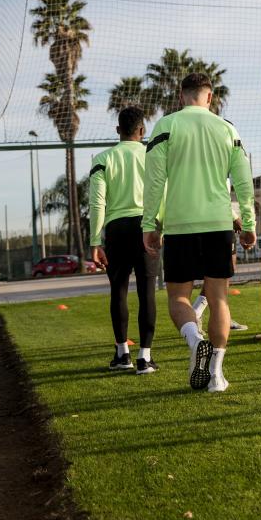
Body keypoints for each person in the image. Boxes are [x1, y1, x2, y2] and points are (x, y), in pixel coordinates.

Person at [142, 73, 256, 393]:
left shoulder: (166, 126)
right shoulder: (227, 128)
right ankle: (217, 375)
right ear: (210, 97)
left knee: (178, 297)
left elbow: (153, 182)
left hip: (180, 226)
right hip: (219, 224)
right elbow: (243, 183)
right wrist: (248, 223)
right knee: (218, 298)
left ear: (182, 96)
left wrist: (150, 224)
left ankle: (195, 341)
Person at [89, 106, 158, 374]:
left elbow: (97, 203)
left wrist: (95, 242)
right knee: (147, 292)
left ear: (118, 130)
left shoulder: (102, 158)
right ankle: (145, 358)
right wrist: (158, 227)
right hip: (146, 225)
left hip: (116, 229)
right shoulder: (152, 155)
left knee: (118, 290)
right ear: (142, 131)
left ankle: (122, 354)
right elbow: (160, 191)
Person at [190, 216, 251, 332]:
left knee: (223, 272)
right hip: (219, 222)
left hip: (215, 221)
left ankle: (223, 317)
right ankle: (197, 313)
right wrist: (235, 217)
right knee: (221, 273)